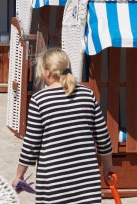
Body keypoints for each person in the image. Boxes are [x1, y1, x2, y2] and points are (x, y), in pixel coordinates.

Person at [14, 47, 114, 204]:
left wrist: (19, 176)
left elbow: (31, 146)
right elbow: (103, 138)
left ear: (47, 70)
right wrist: (108, 167)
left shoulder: (40, 100)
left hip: (54, 184)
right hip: (87, 183)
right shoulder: (87, 94)